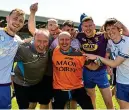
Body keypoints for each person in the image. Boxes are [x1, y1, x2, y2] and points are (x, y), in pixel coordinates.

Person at [84, 18, 129, 109]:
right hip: (121, 81)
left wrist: (96, 57)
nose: (110, 31)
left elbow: (115, 63)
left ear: (119, 29)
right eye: (108, 29)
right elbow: (108, 52)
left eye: (113, 28)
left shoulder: (127, 43)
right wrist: (107, 64)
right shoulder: (110, 42)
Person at [76, 16, 113, 109]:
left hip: (101, 72)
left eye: (90, 25)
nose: (88, 28)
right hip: (86, 72)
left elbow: (116, 32)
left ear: (94, 26)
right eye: (85, 26)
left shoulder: (103, 35)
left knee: (109, 102)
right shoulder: (78, 36)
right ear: (82, 27)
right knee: (91, 99)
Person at [51, 31, 93, 109]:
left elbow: (91, 67)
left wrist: (100, 61)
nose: (64, 42)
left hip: (77, 88)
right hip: (59, 89)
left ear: (71, 40)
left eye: (67, 39)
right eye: (61, 39)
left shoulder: (79, 54)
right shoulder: (53, 52)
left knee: (89, 107)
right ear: (58, 40)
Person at [13, 29, 53, 109]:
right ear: (33, 39)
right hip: (21, 83)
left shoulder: (49, 50)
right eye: (39, 41)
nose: (42, 45)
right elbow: (6, 60)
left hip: (36, 83)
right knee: (24, 107)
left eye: (45, 41)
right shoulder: (23, 49)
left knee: (39, 103)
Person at [0, 8, 25, 109]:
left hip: (4, 86)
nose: (17, 22)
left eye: (21, 21)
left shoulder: (18, 41)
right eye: (15, 18)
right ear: (7, 18)